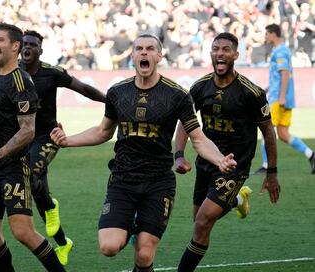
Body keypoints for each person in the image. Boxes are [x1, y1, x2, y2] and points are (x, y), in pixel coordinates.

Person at [50, 33, 237, 272]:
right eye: (139, 49)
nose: (144, 53)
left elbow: (198, 139)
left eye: (150, 49)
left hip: (158, 182)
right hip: (123, 179)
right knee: (109, 247)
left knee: (144, 254)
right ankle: (132, 225)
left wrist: (219, 159)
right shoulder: (118, 92)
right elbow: (103, 131)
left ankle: (140, 231)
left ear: (159, 56)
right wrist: (67, 141)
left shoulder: (177, 95)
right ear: (133, 56)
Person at [0, 30, 106, 266]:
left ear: (36, 50)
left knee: (30, 183)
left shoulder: (47, 75)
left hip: (44, 136)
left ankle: (50, 208)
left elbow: (83, 89)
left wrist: (110, 103)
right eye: (27, 43)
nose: (29, 48)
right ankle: (59, 234)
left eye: (33, 45)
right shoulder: (1, 70)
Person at [174, 32, 281, 272]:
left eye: (226, 49)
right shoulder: (200, 87)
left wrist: (271, 172)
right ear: (211, 53)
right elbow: (185, 121)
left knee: (202, 222)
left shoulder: (250, 92)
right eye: (216, 49)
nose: (220, 53)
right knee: (198, 221)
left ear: (236, 55)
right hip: (206, 160)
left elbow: (269, 132)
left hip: (235, 165)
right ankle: (237, 199)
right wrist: (179, 154)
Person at [0, 22, 65, 272]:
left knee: (23, 232)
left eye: (0, 41)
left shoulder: (22, 83)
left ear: (15, 47)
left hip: (11, 169)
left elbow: (28, 131)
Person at [253, 24, 315, 175]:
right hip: (286, 97)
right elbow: (281, 74)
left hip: (278, 99)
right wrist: (268, 87)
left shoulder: (280, 51)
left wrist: (280, 97)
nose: (265, 37)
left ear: (274, 34)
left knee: (266, 129)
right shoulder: (283, 50)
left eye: (267, 34)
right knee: (282, 133)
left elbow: (285, 74)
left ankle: (267, 166)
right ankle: (311, 155)